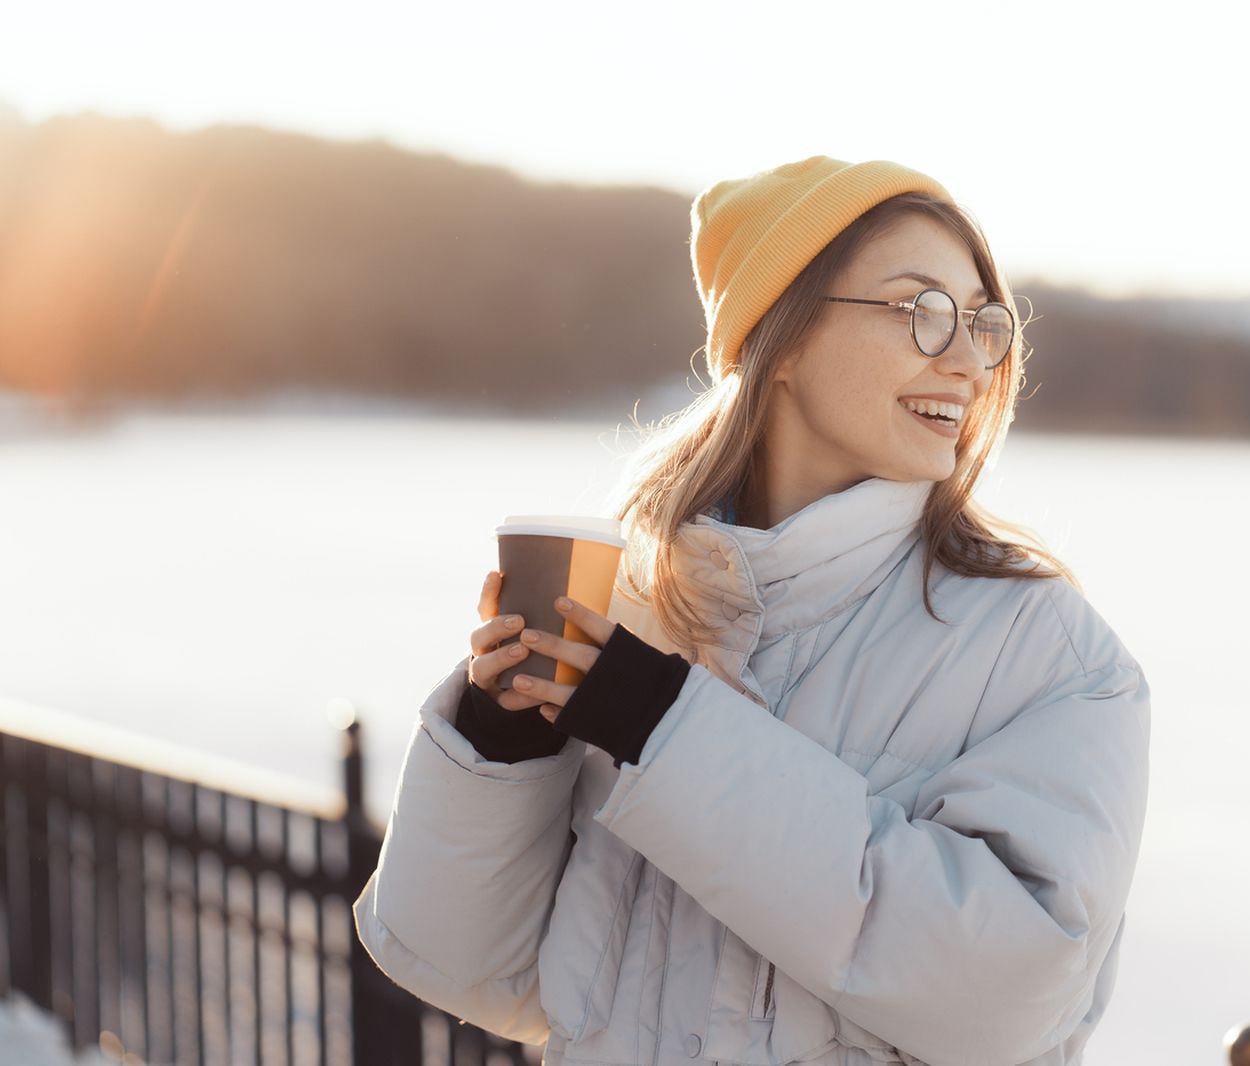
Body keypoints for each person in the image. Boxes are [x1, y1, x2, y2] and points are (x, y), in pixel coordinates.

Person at [353, 155, 1152, 1066]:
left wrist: (665, 731)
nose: (970, 362)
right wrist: (503, 745)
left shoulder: (1047, 656)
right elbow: (478, 973)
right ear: (787, 337)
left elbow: (1014, 996)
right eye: (924, 312)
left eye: (983, 323)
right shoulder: (646, 608)